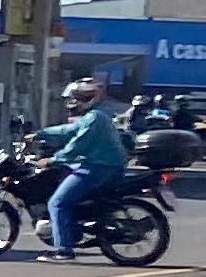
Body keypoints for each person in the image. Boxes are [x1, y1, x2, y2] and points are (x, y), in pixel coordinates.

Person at [31, 76, 131, 258]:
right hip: (99, 166)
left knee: (57, 203)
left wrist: (52, 160)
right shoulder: (93, 116)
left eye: (76, 98)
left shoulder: (94, 119)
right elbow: (67, 131)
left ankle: (64, 250)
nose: (72, 102)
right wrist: (40, 134)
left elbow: (77, 145)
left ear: (88, 98)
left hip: (98, 168)